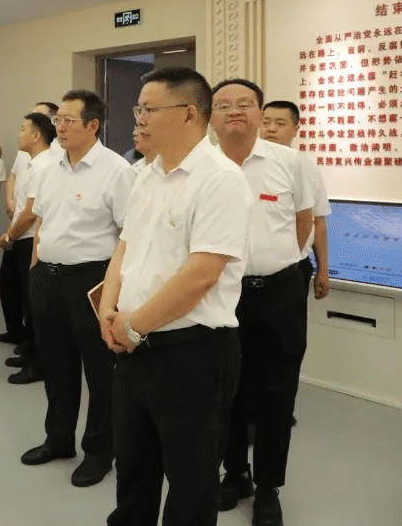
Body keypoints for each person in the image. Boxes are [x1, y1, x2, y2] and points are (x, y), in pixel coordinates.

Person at [99, 66, 248, 526]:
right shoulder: (147, 174)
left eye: (149, 108)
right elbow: (126, 245)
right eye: (138, 109)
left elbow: (201, 275)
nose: (139, 118)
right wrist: (107, 307)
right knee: (133, 468)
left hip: (192, 354)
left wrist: (132, 325)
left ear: (188, 114)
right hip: (134, 348)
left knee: (190, 482)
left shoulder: (220, 179)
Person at [212, 79, 313, 526]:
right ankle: (235, 474)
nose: (235, 110)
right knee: (225, 388)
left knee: (277, 392)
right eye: (224, 104)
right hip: (221, 293)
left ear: (259, 112)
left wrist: (277, 262)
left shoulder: (291, 162)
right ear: (210, 115)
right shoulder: (202, 166)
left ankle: (269, 486)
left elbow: (304, 221)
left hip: (278, 293)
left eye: (245, 103)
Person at [21, 89, 134, 488]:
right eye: (58, 120)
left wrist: (114, 294)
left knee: (100, 372)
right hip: (47, 278)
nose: (60, 127)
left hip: (92, 281)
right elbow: (42, 222)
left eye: (68, 120)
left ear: (92, 125)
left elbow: (129, 235)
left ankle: (100, 451)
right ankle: (58, 439)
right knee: (56, 365)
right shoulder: (48, 166)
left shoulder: (117, 170)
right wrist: (36, 268)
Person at [0, 112, 55, 385]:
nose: (18, 134)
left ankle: (39, 364)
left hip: (31, 239)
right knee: (25, 301)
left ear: (35, 136)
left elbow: (31, 212)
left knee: (34, 308)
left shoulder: (44, 166)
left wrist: (9, 235)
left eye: (23, 129)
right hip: (23, 239)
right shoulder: (32, 163)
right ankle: (31, 353)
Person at [261, 100, 331, 301]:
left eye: (280, 123)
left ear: (295, 129)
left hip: (291, 268)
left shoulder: (306, 167)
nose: (271, 129)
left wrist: (323, 270)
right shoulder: (246, 164)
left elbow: (318, 221)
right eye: (266, 123)